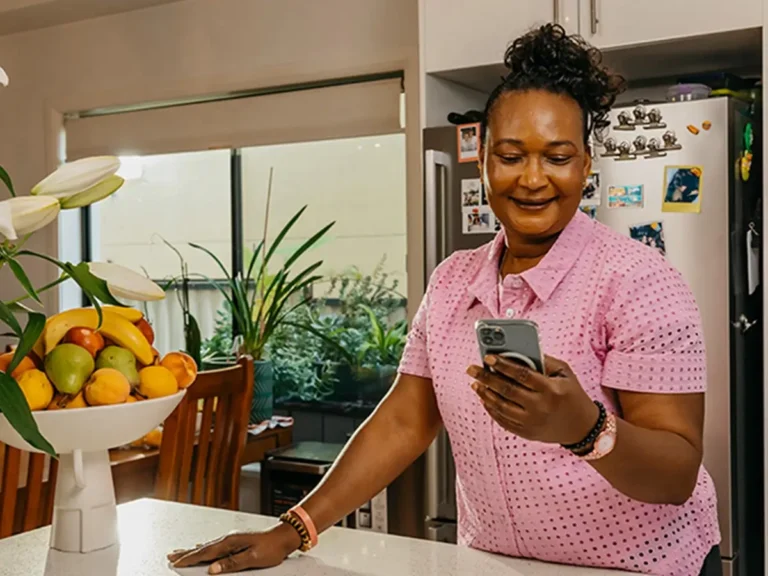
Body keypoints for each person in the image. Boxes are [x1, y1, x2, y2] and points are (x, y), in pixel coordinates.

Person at [168, 24, 721, 576]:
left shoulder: (640, 282)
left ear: (585, 165)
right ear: (482, 158)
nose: (533, 178)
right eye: (510, 155)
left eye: (556, 157)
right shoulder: (453, 281)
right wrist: (292, 530)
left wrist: (586, 428)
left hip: (640, 566)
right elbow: (405, 420)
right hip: (494, 563)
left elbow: (675, 475)